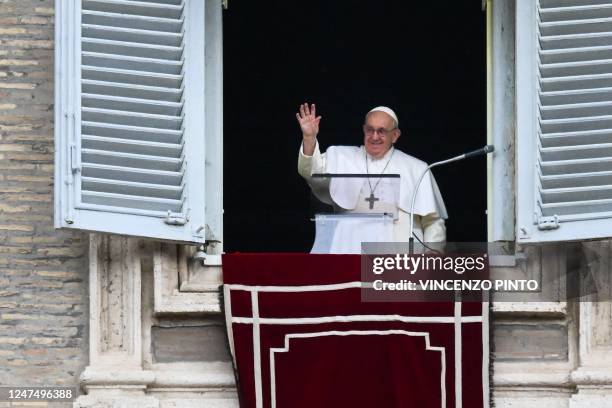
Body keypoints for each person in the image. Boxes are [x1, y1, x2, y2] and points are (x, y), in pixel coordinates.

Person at [296, 103, 447, 250]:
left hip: (398, 255)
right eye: (370, 130)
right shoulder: (341, 156)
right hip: (348, 248)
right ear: (364, 130)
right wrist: (309, 137)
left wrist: (432, 255)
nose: (374, 136)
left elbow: (433, 221)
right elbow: (310, 170)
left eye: (381, 131)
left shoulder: (416, 168)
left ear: (395, 135)